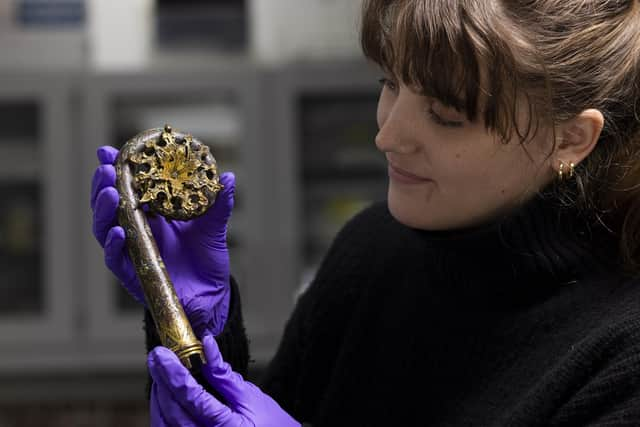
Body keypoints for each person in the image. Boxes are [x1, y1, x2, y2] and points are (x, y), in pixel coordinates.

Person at [91, 0, 640, 425]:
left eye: (446, 115)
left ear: (571, 139)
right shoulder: (371, 251)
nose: (388, 135)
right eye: (391, 84)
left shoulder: (622, 356)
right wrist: (190, 328)